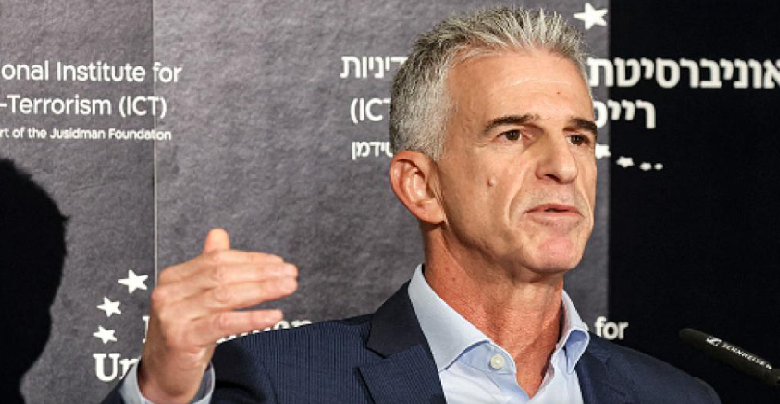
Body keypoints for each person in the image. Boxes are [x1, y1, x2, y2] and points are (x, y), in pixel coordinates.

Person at [102, 6, 721, 404]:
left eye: (579, 137)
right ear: (421, 185)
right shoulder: (282, 382)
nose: (563, 166)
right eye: (514, 134)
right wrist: (162, 394)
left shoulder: (676, 397)